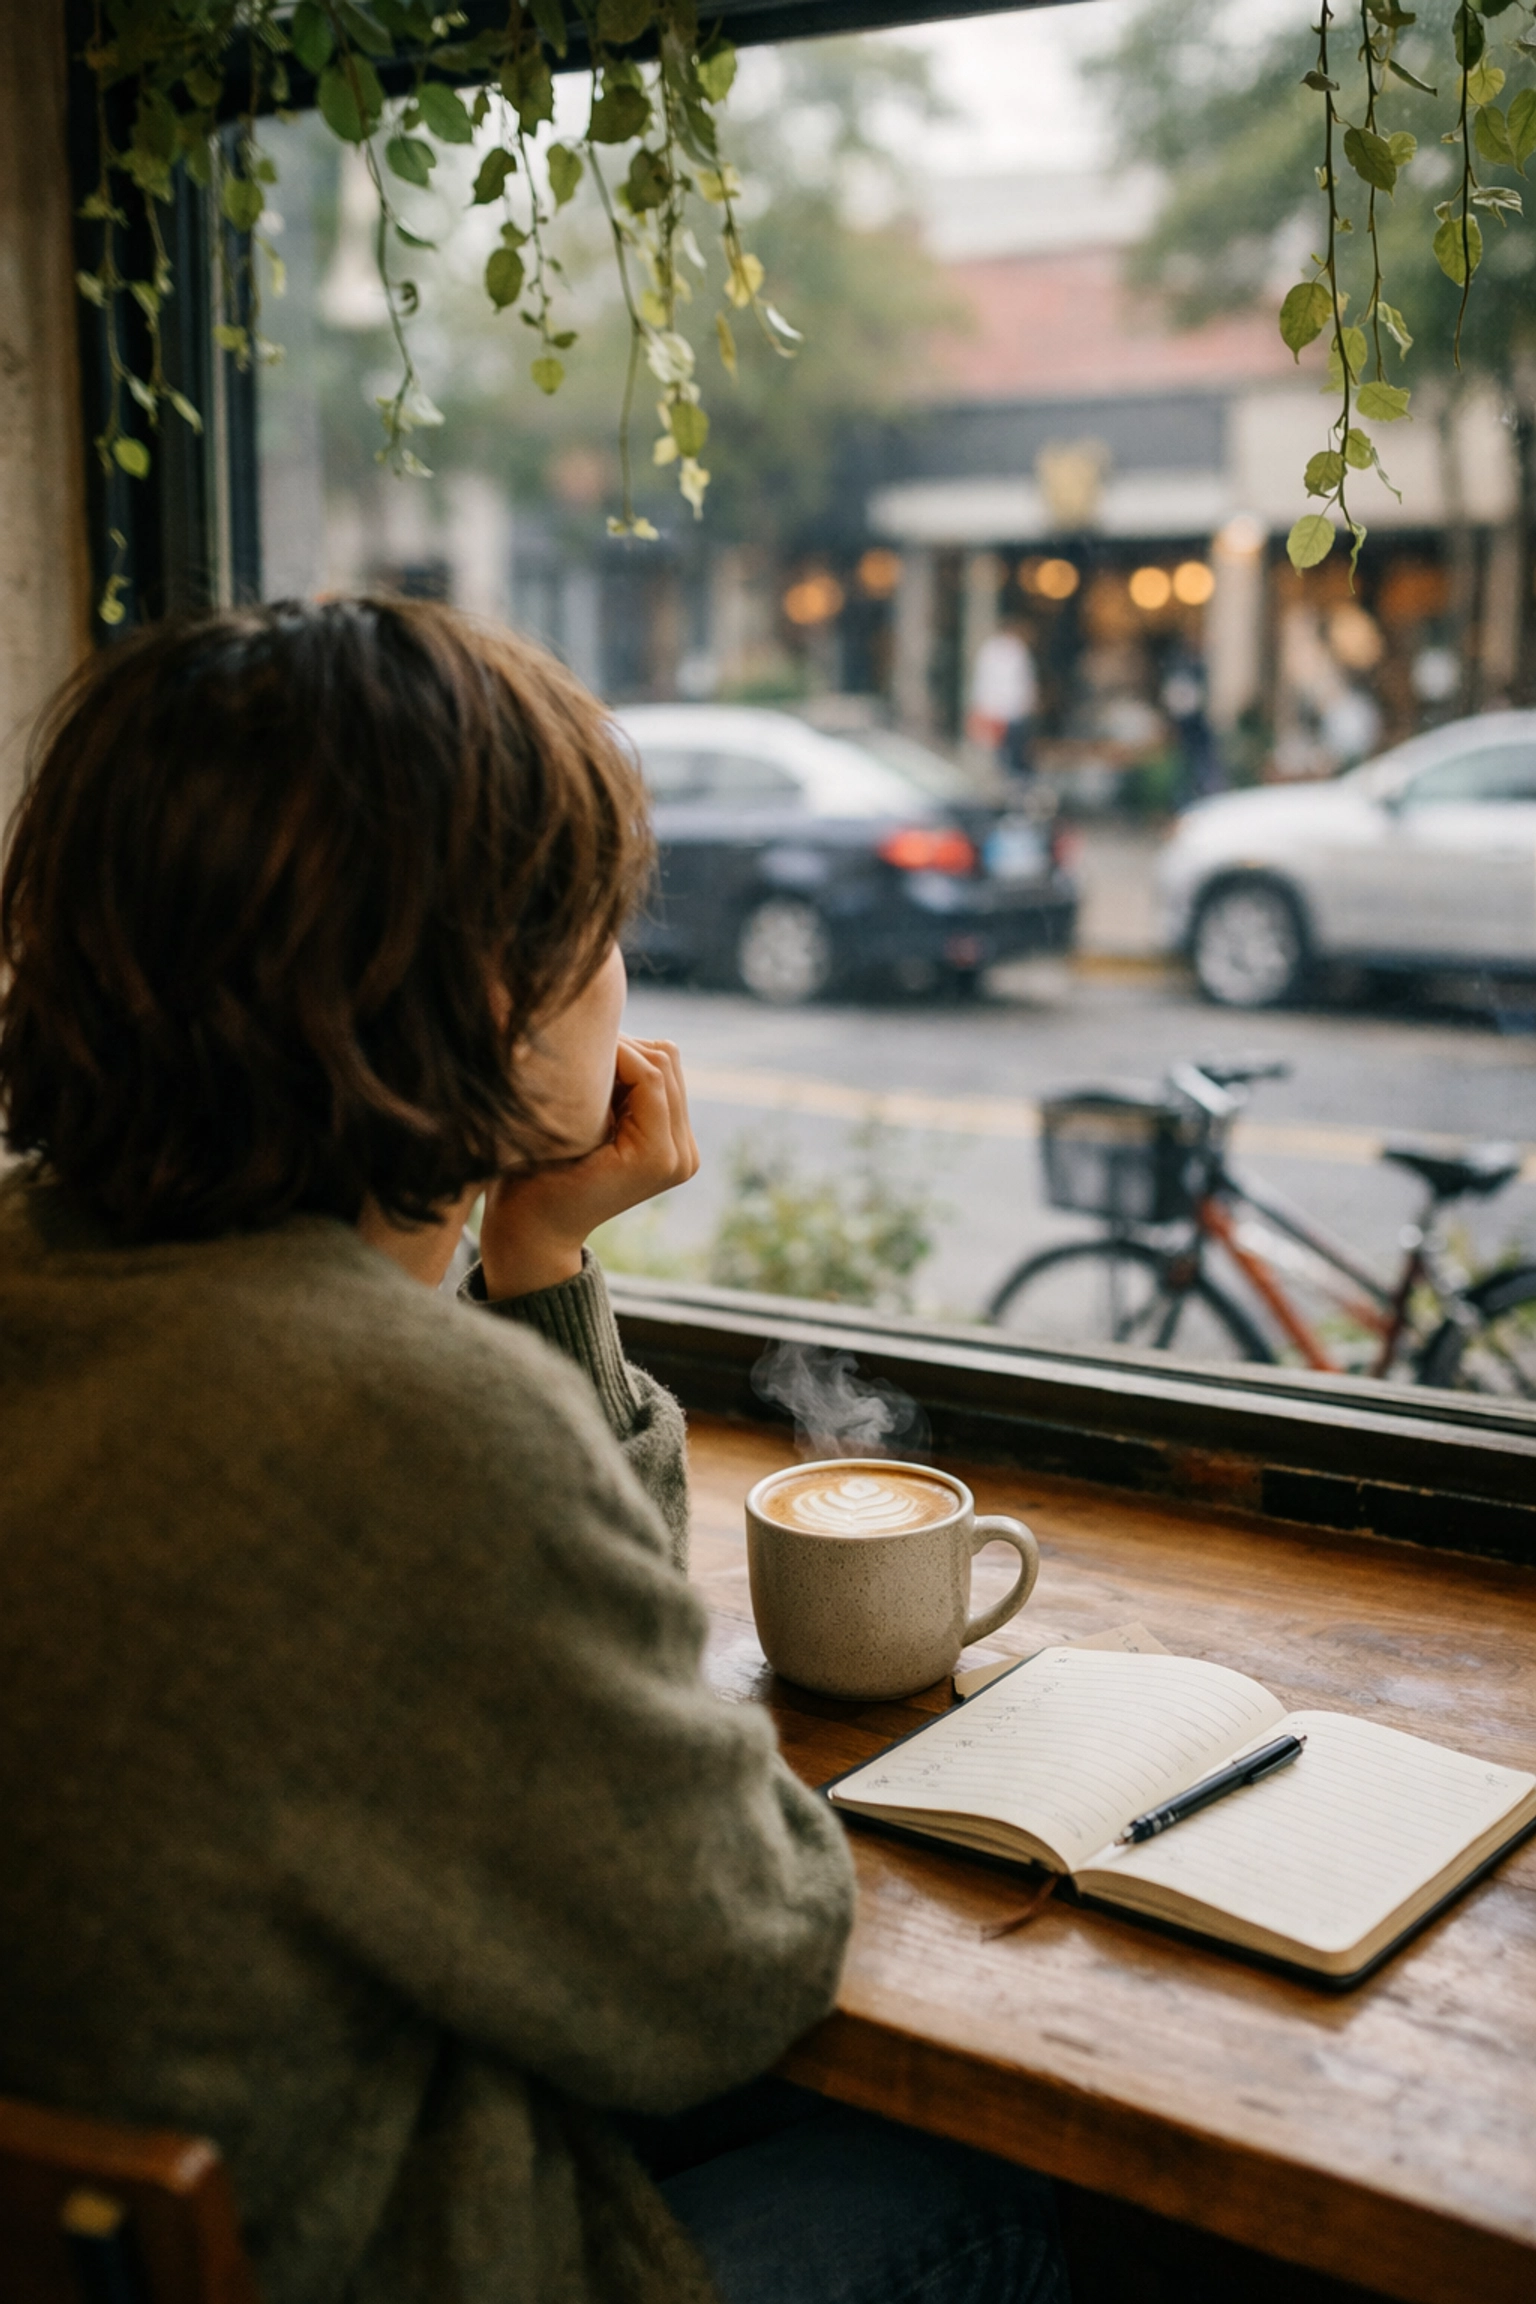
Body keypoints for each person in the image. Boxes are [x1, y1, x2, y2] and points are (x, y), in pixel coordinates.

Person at [0, 600, 1066, 2304]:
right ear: (491, 994)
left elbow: (543, 1631)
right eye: (601, 930)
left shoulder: (55, 1271)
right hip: (374, 2244)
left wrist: (537, 1258)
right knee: (974, 2198)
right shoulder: (392, 1423)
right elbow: (740, 1954)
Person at [967, 614, 1038, 781]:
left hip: (1008, 712)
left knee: (1010, 754)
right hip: (1002, 713)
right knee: (1005, 754)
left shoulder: (999, 649)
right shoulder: (1004, 650)